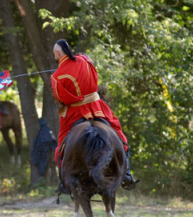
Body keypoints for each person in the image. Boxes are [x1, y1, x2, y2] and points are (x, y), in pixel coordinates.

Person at [51, 39, 138, 190]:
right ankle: (127, 173)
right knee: (118, 133)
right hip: (97, 106)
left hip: (75, 111)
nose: (54, 58)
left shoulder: (56, 76)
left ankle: (64, 181)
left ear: (58, 53)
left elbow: (62, 98)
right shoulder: (84, 61)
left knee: (62, 145)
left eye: (55, 55)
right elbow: (90, 65)